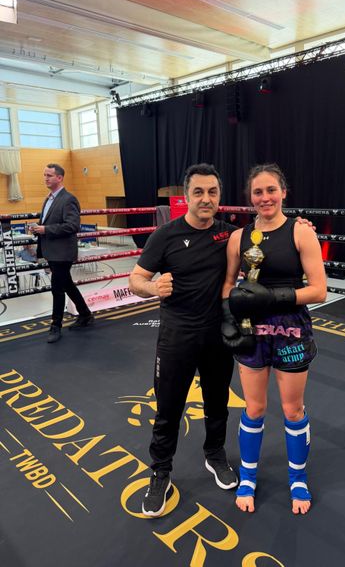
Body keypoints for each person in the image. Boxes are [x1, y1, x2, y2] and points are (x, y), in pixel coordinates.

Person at [129, 164, 240, 518]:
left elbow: (270, 238)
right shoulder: (166, 235)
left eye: (212, 192)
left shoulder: (231, 235)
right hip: (177, 336)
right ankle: (160, 472)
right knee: (169, 408)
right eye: (198, 192)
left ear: (219, 196)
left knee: (217, 401)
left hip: (218, 335)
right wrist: (153, 287)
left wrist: (300, 227)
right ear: (187, 196)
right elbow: (135, 279)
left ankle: (215, 454)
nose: (206, 199)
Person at [221, 163, 327, 515]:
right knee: (253, 408)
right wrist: (227, 318)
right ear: (249, 197)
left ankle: (298, 479)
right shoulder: (239, 238)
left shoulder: (301, 232)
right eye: (258, 192)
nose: (264, 197)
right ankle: (248, 477)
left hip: (290, 327)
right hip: (251, 328)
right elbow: (228, 283)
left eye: (271, 190)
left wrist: (274, 297)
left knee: (293, 409)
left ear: (283, 192)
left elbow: (319, 290)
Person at [31, 164, 94, 343]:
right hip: (52, 251)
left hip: (63, 252)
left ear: (59, 178)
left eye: (49, 175)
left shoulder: (68, 199)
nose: (46, 178)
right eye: (44, 175)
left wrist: (45, 229)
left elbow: (73, 226)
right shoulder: (49, 199)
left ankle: (55, 326)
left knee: (57, 288)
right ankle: (85, 314)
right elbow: (49, 222)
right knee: (67, 284)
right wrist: (38, 228)